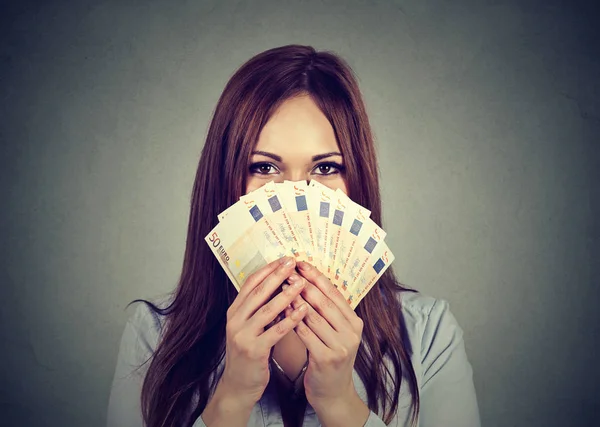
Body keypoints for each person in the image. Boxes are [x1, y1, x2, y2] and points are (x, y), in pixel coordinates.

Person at [106, 44, 481, 427]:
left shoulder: (428, 335)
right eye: (265, 166)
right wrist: (232, 397)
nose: (295, 198)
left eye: (326, 167)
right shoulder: (153, 338)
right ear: (224, 183)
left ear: (358, 183)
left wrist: (339, 404)